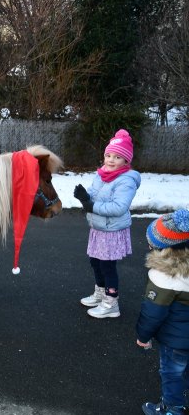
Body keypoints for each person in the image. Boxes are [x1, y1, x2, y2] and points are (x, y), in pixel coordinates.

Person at [73, 129, 141, 318]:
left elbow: (119, 207)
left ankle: (111, 304)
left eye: (117, 157)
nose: (111, 160)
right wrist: (85, 197)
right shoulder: (101, 175)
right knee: (95, 262)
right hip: (99, 228)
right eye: (108, 155)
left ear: (126, 161)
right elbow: (93, 193)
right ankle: (101, 293)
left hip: (112, 230)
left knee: (107, 266)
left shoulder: (126, 180)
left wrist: (91, 205)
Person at [136, 209, 189, 415]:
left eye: (152, 244)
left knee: (172, 373)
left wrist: (143, 335)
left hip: (176, 340)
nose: (149, 247)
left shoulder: (164, 276)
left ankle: (172, 409)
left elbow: (153, 312)